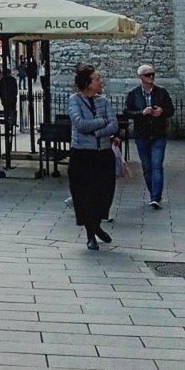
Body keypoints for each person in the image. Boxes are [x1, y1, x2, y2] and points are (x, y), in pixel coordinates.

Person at [68, 63, 119, 251]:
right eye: (97, 79)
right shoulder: (74, 100)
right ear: (88, 83)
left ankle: (96, 224)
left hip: (103, 154)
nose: (100, 81)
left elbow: (114, 125)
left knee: (103, 194)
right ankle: (91, 234)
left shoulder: (103, 101)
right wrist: (101, 121)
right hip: (83, 154)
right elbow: (80, 124)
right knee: (86, 195)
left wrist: (98, 132)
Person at [124, 63, 175, 208]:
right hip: (142, 135)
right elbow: (127, 112)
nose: (151, 77)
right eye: (148, 75)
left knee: (157, 165)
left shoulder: (161, 92)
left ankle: (155, 197)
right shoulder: (133, 94)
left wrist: (162, 111)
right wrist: (142, 113)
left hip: (158, 134)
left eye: (153, 74)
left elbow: (171, 110)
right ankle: (154, 192)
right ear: (141, 77)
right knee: (147, 167)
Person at [0, 65, 18, 136]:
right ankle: (11, 125)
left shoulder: (2, 80)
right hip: (12, 100)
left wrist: (2, 98)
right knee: (12, 112)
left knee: (6, 112)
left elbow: (0, 91)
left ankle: (7, 125)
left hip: (5, 100)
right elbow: (15, 90)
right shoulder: (13, 80)